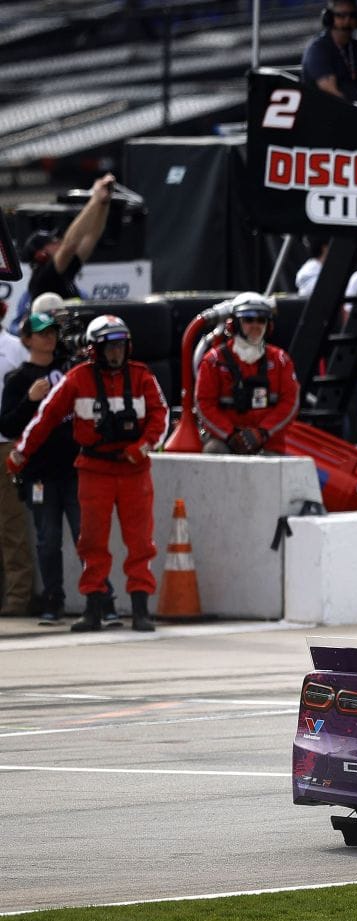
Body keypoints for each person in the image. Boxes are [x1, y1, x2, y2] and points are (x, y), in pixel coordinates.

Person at [7, 315, 167, 632]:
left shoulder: (142, 376)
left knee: (140, 542)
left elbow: (160, 417)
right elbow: (46, 416)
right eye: (109, 346)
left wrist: (143, 447)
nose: (115, 353)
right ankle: (93, 609)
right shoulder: (76, 379)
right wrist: (22, 452)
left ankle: (140, 610)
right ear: (94, 349)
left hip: (135, 470)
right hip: (93, 470)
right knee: (91, 541)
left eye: (120, 346)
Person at [1, 301, 77, 623]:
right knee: (45, 538)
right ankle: (49, 598)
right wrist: (29, 401)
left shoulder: (15, 351)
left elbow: (10, 423)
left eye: (51, 334)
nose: (48, 339)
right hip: (33, 461)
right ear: (29, 337)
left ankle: (23, 597)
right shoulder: (21, 375)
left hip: (19, 452)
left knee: (18, 527)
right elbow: (14, 413)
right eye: (41, 333)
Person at [193, 293, 300, 454]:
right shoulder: (214, 360)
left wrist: (263, 432)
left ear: (268, 325)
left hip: (268, 442)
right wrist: (230, 435)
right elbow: (204, 404)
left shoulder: (280, 360)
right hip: (225, 441)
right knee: (214, 451)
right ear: (235, 324)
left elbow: (290, 403)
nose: (256, 325)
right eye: (248, 320)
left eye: (261, 320)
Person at [17, 175, 117, 320]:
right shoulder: (44, 277)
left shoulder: (64, 271)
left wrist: (104, 203)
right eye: (53, 242)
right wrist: (95, 198)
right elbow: (70, 245)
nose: (59, 242)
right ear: (41, 254)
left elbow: (92, 236)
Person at [303, 0, 357, 115]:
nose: (347, 21)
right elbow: (330, 91)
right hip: (332, 119)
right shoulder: (319, 49)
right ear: (329, 18)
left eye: (352, 16)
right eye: (341, 16)